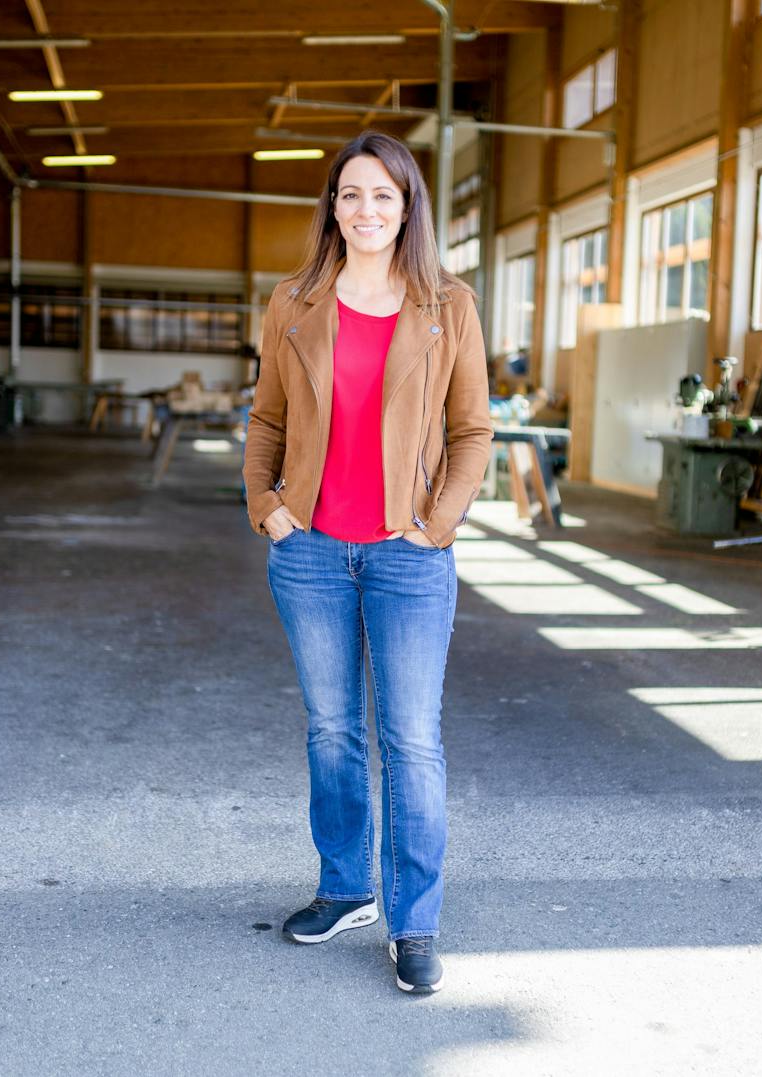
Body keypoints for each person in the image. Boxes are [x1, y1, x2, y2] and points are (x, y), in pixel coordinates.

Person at [242, 131, 493, 994]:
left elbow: (472, 432)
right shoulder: (294, 301)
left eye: (384, 195)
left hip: (407, 556)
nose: (366, 209)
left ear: (409, 206)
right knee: (332, 731)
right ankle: (346, 887)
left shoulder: (447, 306)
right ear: (333, 207)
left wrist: (438, 523)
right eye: (351, 194)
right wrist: (265, 507)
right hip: (308, 549)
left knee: (411, 741)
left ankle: (413, 919)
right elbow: (267, 417)